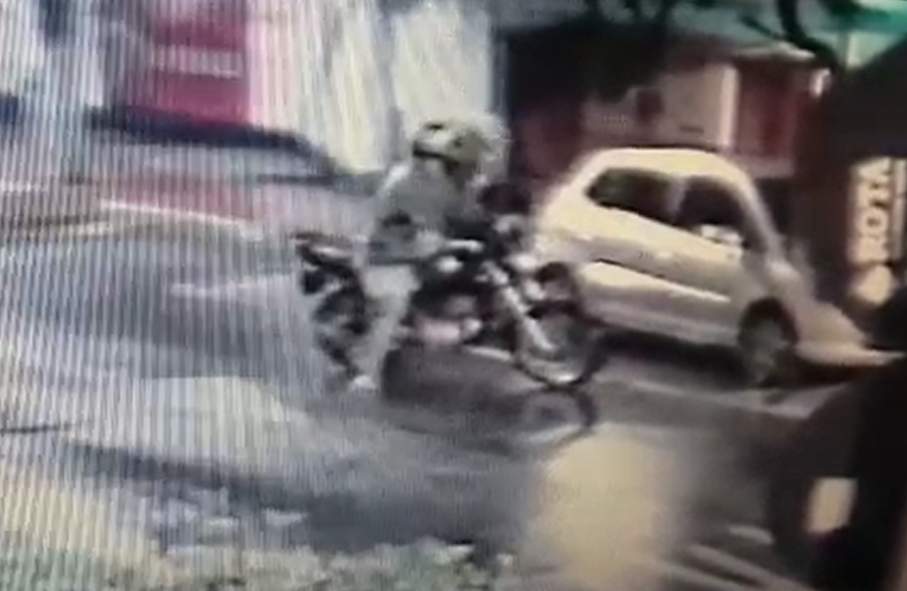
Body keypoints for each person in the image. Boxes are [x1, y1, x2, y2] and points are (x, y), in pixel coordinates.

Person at [348, 120, 493, 395]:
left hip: (412, 251)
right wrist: (454, 240)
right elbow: (425, 229)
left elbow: (461, 212)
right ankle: (366, 372)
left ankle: (438, 321)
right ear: (430, 161)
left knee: (451, 268)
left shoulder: (442, 184)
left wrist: (489, 220)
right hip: (385, 255)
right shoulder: (407, 184)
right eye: (451, 163)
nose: (459, 170)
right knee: (393, 308)